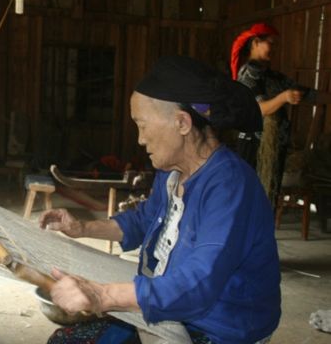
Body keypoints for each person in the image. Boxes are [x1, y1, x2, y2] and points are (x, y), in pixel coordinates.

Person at [39, 56, 281, 344]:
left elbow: (200, 281)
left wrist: (103, 295)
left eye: (142, 125)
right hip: (172, 308)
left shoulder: (230, 186)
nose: (140, 139)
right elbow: (144, 220)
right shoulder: (171, 173)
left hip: (219, 328)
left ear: (181, 123)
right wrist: (83, 228)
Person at [230, 22, 330, 206]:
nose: (274, 48)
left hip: (274, 146)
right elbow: (259, 109)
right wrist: (283, 98)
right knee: (251, 197)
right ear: (255, 43)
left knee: (269, 195)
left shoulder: (272, 77)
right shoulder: (247, 75)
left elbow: (308, 93)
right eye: (271, 43)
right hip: (255, 147)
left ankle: (264, 232)